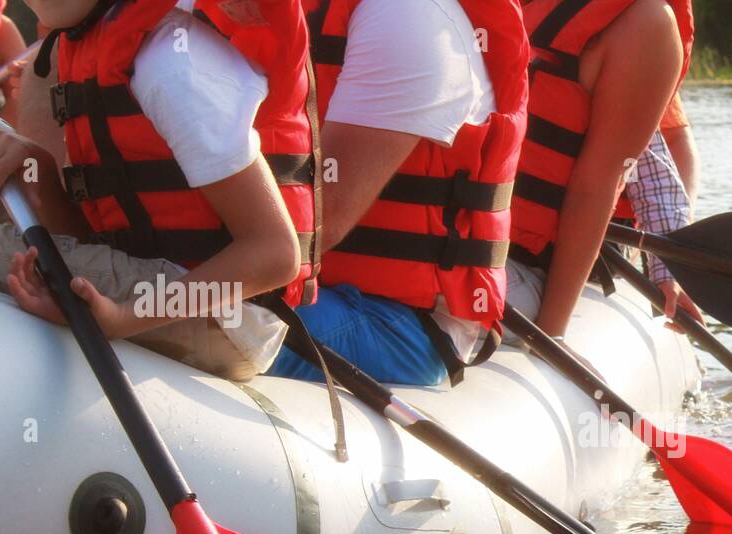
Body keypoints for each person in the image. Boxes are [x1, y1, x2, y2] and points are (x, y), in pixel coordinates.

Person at [0, 0, 318, 381]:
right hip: (165, 282)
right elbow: (89, 240)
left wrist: (123, 319)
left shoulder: (171, 63)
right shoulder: (94, 46)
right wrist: (37, 170)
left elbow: (275, 254)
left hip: (227, 317)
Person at [265, 0, 528, 388]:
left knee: (195, 319)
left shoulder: (407, 16)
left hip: (401, 325)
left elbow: (318, 226)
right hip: (314, 283)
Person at [507, 0, 694, 339]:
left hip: (542, 258)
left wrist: (669, 268)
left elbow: (640, 173)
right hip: (470, 242)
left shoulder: (640, 31)